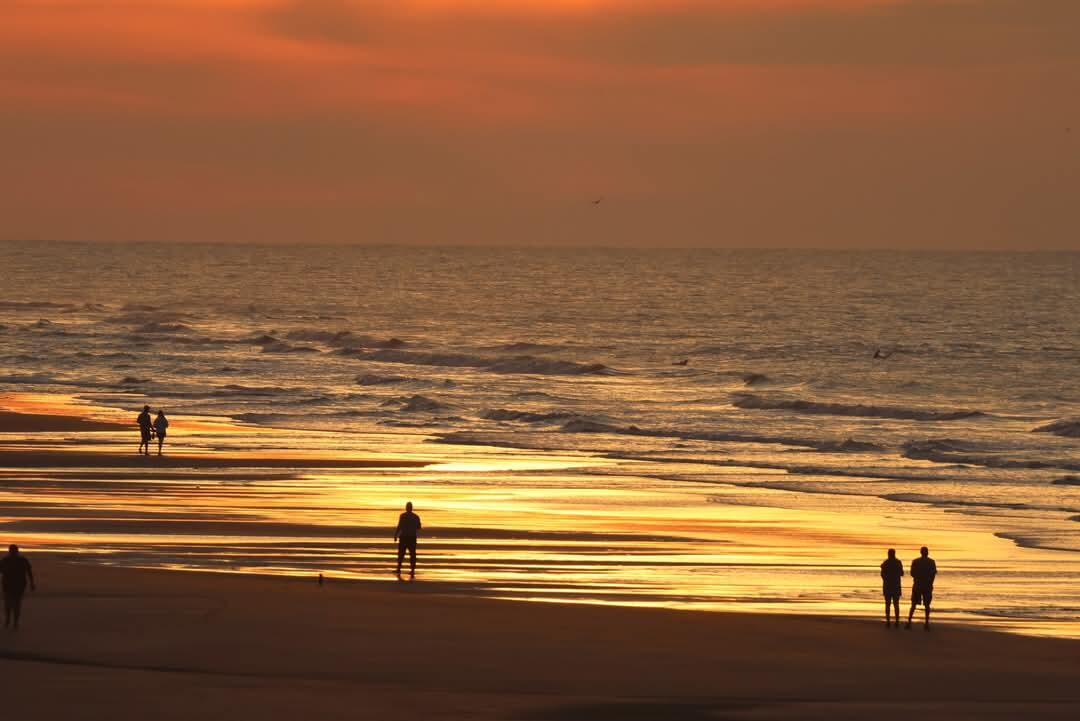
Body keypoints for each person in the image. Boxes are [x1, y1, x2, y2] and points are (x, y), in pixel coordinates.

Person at [1, 544, 35, 630]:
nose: (12, 552)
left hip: (16, 585)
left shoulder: (9, 560)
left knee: (13, 604)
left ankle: (12, 621)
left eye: (13, 550)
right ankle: (10, 621)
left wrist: (32, 583)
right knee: (11, 604)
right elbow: (29, 572)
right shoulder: (6, 560)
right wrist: (32, 583)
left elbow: (29, 572)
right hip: (11, 585)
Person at [907, 546, 937, 631]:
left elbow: (912, 573)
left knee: (913, 604)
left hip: (918, 585)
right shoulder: (931, 562)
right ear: (927, 553)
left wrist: (919, 577)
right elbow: (933, 574)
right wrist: (930, 583)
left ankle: (909, 622)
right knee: (927, 605)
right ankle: (926, 623)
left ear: (921, 552)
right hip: (927, 586)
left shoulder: (916, 561)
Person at [394, 502, 422, 579]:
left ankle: (399, 569)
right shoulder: (416, 516)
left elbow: (399, 526)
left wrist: (396, 535)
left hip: (404, 537)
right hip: (412, 537)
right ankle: (412, 570)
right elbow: (419, 527)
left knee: (401, 553)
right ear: (412, 508)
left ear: (406, 508)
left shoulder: (403, 516)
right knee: (412, 554)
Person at [880, 548, 904, 628]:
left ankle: (888, 621)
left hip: (887, 586)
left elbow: (882, 575)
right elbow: (901, 573)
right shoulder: (898, 562)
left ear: (888, 554)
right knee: (896, 604)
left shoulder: (885, 563)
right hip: (896, 585)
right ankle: (897, 621)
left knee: (887, 604)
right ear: (894, 554)